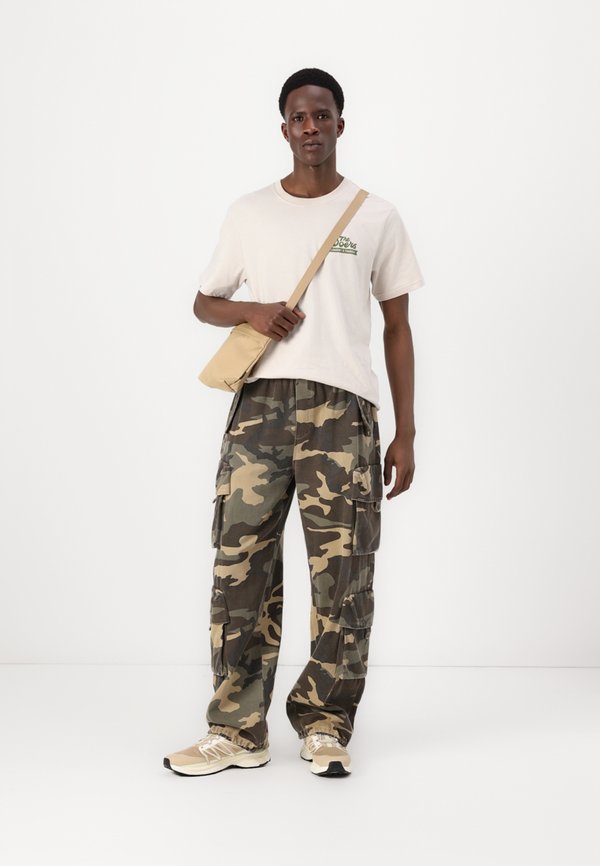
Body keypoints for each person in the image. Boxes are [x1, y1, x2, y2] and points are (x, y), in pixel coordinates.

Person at [163, 67, 424, 778]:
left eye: (322, 115)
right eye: (299, 117)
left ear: (341, 123)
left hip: (345, 410)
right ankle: (236, 729)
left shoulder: (376, 216)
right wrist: (251, 309)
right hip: (261, 407)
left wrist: (405, 431)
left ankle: (326, 722)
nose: (311, 127)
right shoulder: (250, 212)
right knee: (239, 564)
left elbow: (398, 327)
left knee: (345, 572)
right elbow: (204, 301)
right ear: (284, 129)